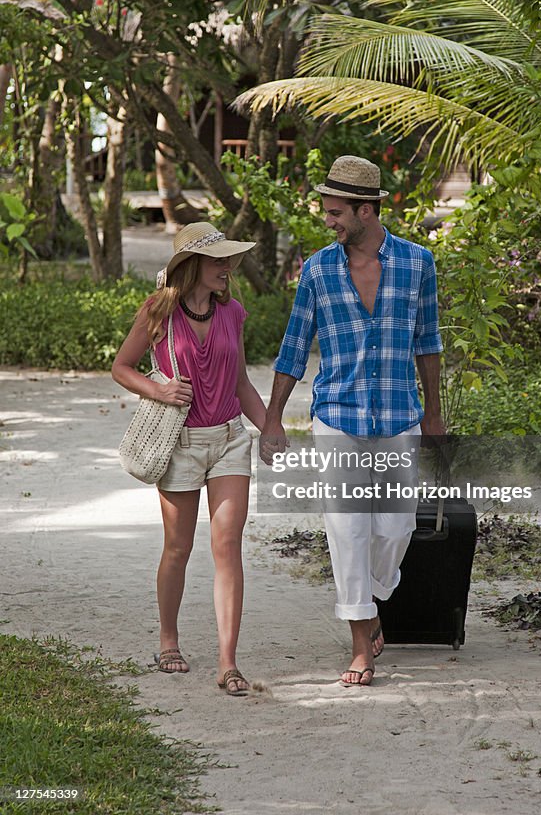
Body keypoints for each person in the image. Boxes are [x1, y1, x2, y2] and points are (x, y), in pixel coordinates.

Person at [261, 156, 445, 687]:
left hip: (397, 415)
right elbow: (294, 347)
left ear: (366, 210)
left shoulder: (418, 264)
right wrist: (273, 419)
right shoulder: (318, 269)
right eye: (327, 211)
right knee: (347, 527)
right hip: (337, 415)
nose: (329, 221)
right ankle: (361, 637)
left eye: (337, 212)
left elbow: (428, 343)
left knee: (394, 526)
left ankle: (373, 597)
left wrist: (433, 413)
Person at [112, 222, 266, 696]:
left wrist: (271, 426)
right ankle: (169, 640)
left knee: (228, 547)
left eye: (229, 260)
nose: (227, 268)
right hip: (178, 442)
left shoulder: (233, 313)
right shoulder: (158, 310)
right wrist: (157, 388)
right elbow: (121, 366)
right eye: (218, 260)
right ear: (192, 265)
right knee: (178, 548)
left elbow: (239, 382)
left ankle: (227, 661)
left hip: (229, 441)